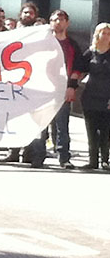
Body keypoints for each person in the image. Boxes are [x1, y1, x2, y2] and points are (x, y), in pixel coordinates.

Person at [48, 10, 83, 169]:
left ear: (67, 23)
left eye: (62, 19)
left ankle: (63, 157)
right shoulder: (44, 43)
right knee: (41, 125)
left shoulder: (72, 45)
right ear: (50, 22)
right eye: (55, 19)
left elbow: (78, 67)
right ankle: (37, 154)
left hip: (63, 90)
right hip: (44, 89)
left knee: (62, 125)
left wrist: (71, 87)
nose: (58, 22)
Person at [80, 23, 110, 170]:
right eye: (102, 33)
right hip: (90, 96)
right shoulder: (90, 52)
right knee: (91, 131)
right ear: (97, 35)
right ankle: (92, 160)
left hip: (107, 97)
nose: (105, 36)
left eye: (108, 33)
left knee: (105, 131)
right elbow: (79, 70)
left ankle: (105, 160)